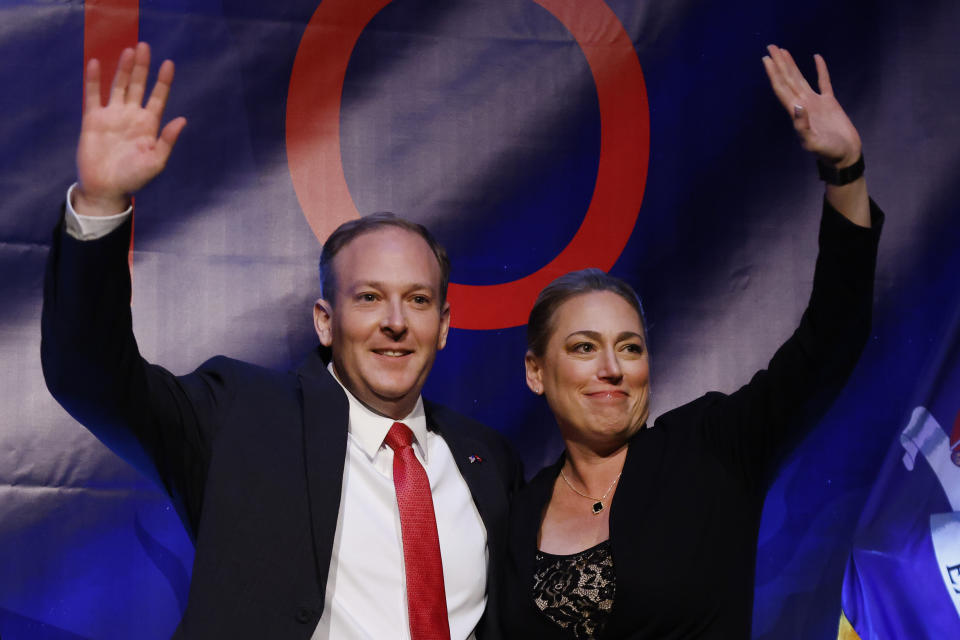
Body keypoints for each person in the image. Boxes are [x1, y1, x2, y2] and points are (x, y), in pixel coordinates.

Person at [41, 42, 521, 640]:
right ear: (324, 321)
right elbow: (90, 376)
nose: (395, 321)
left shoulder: (488, 460)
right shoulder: (242, 415)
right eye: (368, 297)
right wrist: (101, 205)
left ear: (444, 325)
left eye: (418, 300)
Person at [499, 45, 882, 638]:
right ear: (535, 371)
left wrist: (846, 173)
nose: (612, 368)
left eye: (629, 347)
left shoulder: (712, 449)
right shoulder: (522, 513)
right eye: (583, 347)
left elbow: (832, 337)